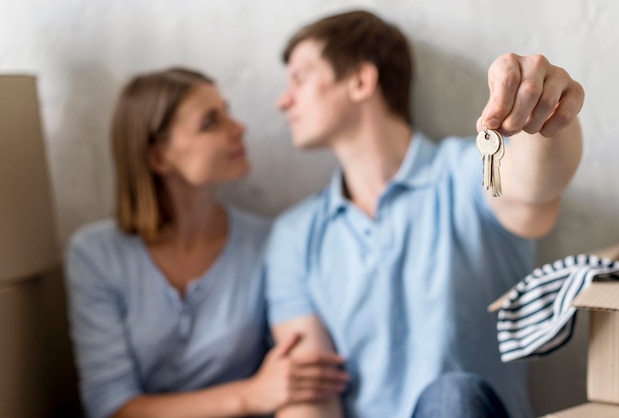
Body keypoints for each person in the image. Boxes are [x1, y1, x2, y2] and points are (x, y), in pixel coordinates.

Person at [265, 10, 584, 418]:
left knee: (453, 395)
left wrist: (544, 112)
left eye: (299, 79)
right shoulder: (294, 236)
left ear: (360, 81)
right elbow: (311, 398)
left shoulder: (465, 173)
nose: (283, 100)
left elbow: (536, 186)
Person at [65, 68, 349, 418]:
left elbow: (296, 377)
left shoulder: (270, 242)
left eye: (227, 112)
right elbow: (111, 406)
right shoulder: (95, 254)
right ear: (159, 158)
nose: (239, 128)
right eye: (211, 122)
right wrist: (250, 396)